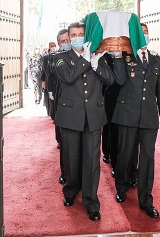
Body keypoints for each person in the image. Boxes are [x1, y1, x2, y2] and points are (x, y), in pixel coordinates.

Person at [53, 21, 115, 221]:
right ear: (69, 38)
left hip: (94, 116)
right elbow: (69, 77)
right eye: (74, 34)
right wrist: (85, 59)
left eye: (81, 33)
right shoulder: (61, 58)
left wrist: (96, 64)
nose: (78, 37)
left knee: (91, 161)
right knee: (72, 159)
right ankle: (71, 191)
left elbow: (111, 80)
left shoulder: (97, 56)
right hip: (71, 116)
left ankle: (91, 202)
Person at [111, 45, 160, 218]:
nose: (144, 36)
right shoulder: (126, 57)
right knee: (126, 153)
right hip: (127, 114)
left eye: (145, 32)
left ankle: (146, 200)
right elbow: (119, 80)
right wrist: (118, 58)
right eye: (140, 33)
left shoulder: (156, 60)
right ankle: (121, 188)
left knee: (147, 158)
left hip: (149, 116)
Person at [49, 29, 71, 185]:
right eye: (63, 41)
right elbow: (51, 76)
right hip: (62, 101)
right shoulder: (57, 58)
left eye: (68, 40)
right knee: (64, 141)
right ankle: (65, 172)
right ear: (59, 43)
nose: (67, 43)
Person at [41, 42, 57, 116]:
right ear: (49, 47)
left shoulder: (59, 55)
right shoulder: (45, 57)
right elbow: (43, 70)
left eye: (54, 46)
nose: (53, 47)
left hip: (57, 80)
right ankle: (50, 112)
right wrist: (43, 80)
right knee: (49, 97)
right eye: (52, 46)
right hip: (49, 79)